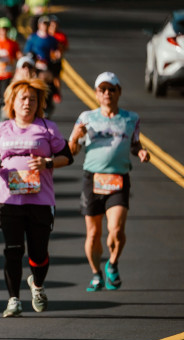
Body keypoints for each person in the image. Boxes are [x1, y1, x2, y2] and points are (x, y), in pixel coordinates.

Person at [0, 78, 73, 317]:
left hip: (40, 200)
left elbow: (67, 157)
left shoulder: (47, 127)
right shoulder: (2, 128)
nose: (27, 103)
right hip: (8, 199)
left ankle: (38, 285)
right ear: (12, 102)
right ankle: (13, 299)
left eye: (33, 99)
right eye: (23, 98)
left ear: (39, 103)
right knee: (13, 250)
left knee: (38, 253)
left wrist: (47, 163)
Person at [68, 72, 150, 292]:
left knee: (116, 230)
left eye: (111, 89)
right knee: (93, 234)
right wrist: (75, 136)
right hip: (93, 179)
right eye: (102, 89)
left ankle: (112, 263)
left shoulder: (131, 118)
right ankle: (96, 274)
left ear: (119, 92)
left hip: (118, 179)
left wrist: (141, 152)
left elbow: (134, 143)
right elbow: (72, 151)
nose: (107, 93)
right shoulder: (86, 117)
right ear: (96, 93)